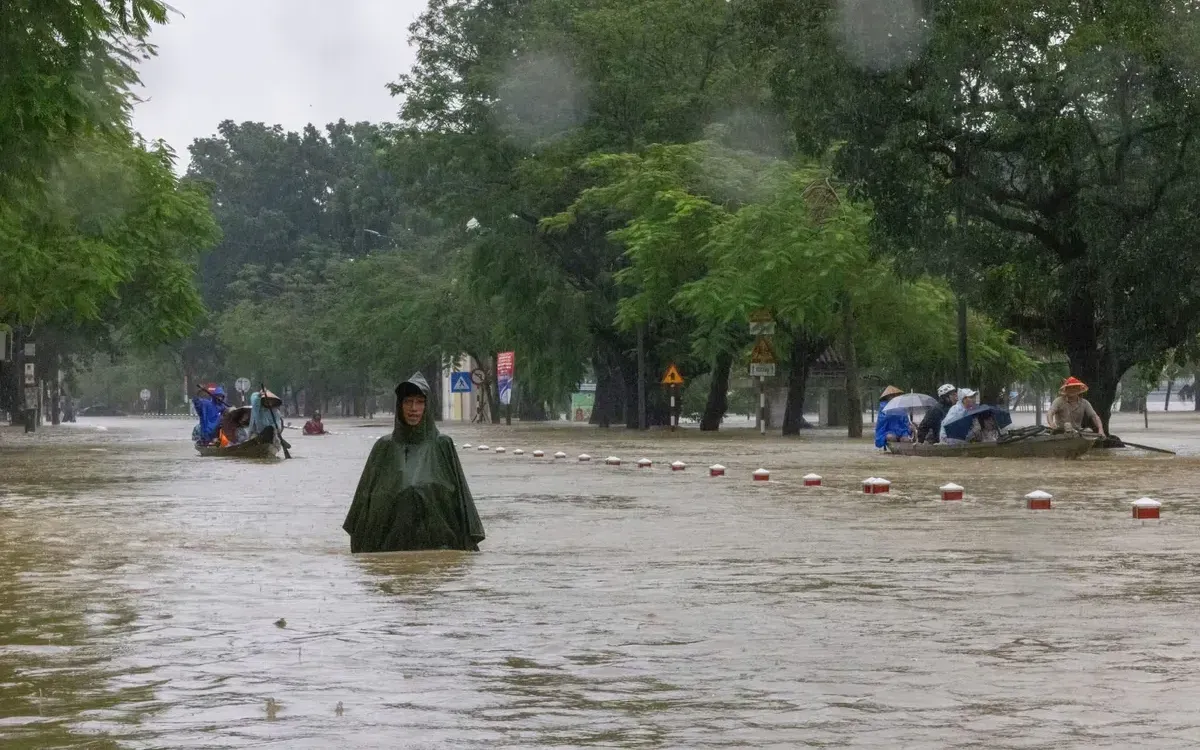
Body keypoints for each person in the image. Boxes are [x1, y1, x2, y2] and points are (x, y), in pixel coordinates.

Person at [343, 372, 485, 553]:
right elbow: (362, 509)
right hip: (389, 554)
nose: (413, 408)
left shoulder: (442, 446)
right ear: (400, 406)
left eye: (419, 402)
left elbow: (463, 506)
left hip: (438, 555)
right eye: (408, 402)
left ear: (427, 407)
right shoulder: (383, 448)